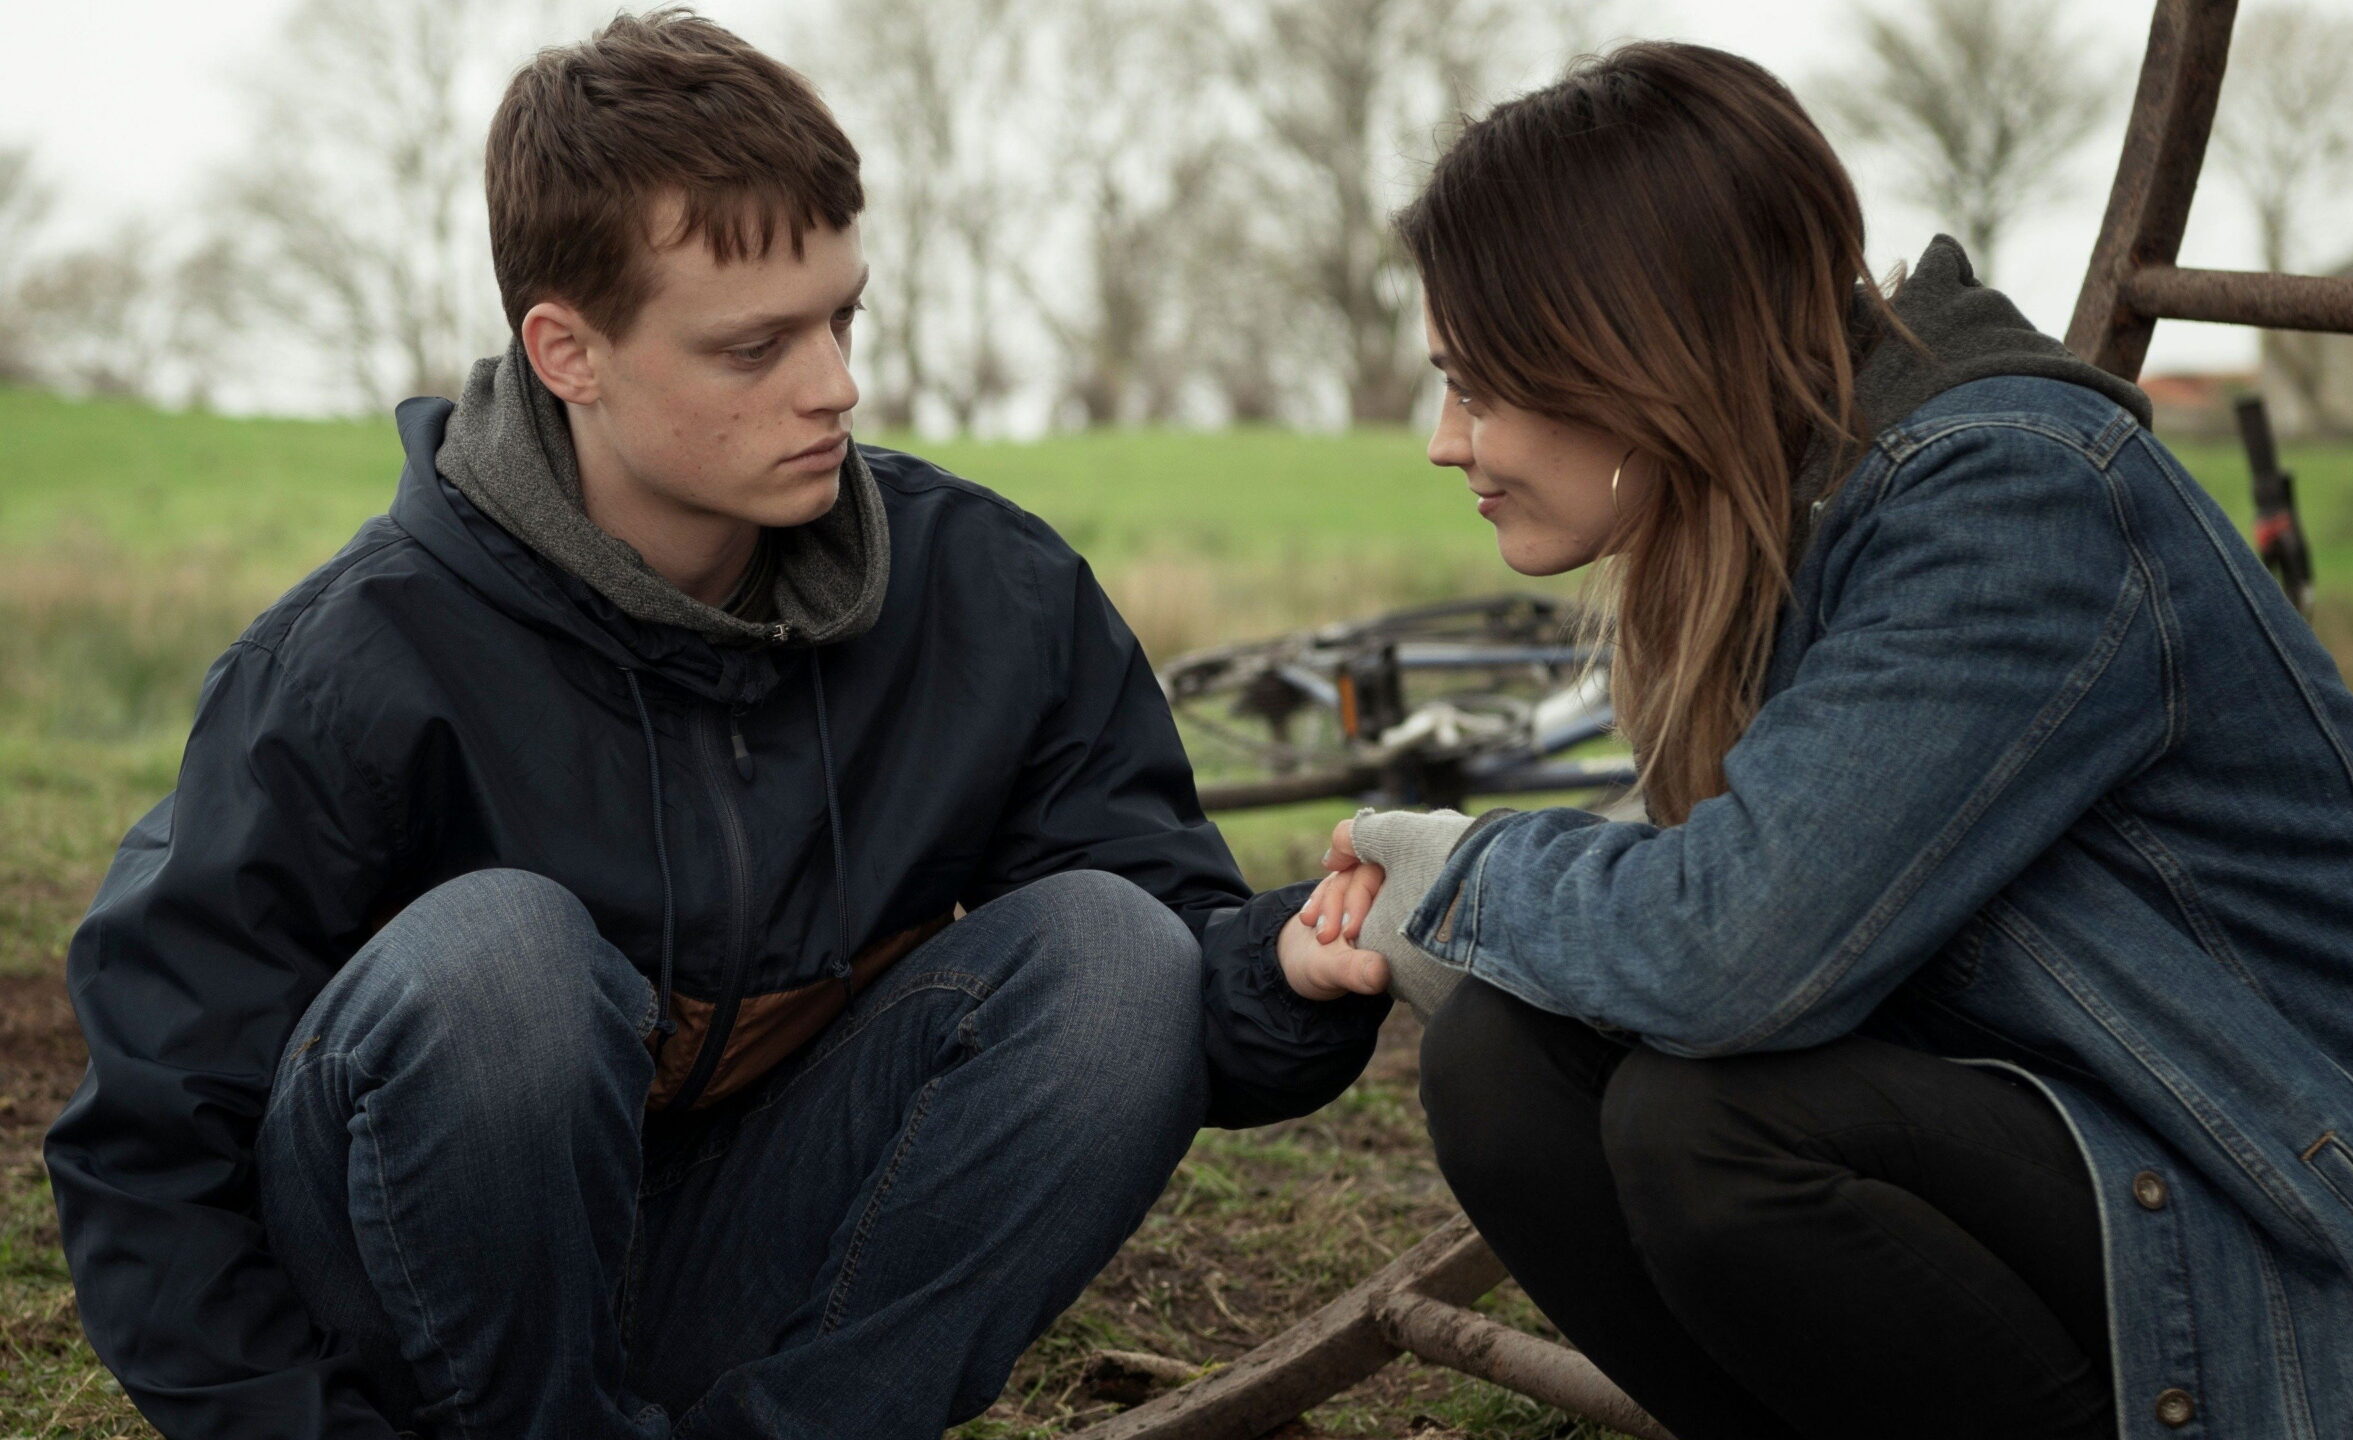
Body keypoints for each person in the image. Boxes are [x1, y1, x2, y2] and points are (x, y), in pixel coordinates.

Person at [43, 12, 1395, 1439]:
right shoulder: (351, 661)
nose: (834, 386)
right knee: (501, 959)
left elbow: (1148, 983)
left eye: (842, 318)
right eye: (756, 347)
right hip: (414, 1300)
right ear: (568, 352)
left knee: (1119, 951)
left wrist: (1278, 977)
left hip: (735, 1265)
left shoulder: (989, 593)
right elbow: (153, 1138)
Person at [1294, 40, 2353, 1440]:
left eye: (1477, 385)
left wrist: (1458, 878)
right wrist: (1394, 916)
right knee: (1506, 1068)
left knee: (1708, 1132)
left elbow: (1730, 948)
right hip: (2139, 1175)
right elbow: (1726, 894)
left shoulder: (2009, 501)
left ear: (1628, 345)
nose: (1444, 441)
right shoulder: (1787, 524)